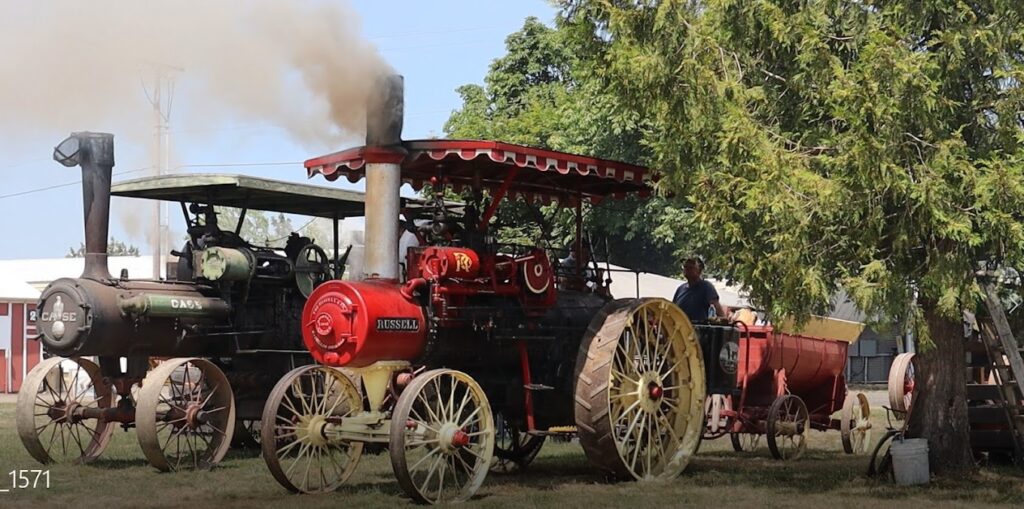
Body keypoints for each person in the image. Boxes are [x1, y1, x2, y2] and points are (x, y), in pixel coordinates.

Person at [672, 256, 728, 322]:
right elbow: (672, 310)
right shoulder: (680, 289)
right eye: (685, 267)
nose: (687, 269)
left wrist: (721, 320)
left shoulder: (706, 287)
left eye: (691, 267)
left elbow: (720, 313)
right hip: (680, 329)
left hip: (699, 329)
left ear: (699, 270)